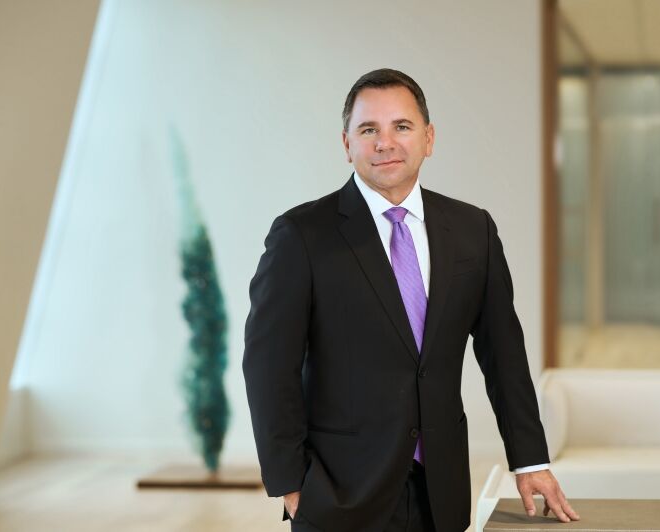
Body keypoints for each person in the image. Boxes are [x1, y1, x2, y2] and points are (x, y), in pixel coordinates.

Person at [243, 68, 579, 532]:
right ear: (346, 144)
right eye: (368, 130)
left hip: (440, 490)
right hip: (338, 493)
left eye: (401, 126)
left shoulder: (473, 231)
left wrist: (529, 460)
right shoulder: (301, 235)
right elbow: (268, 367)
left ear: (428, 138)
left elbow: (503, 354)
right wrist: (290, 482)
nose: (386, 143)